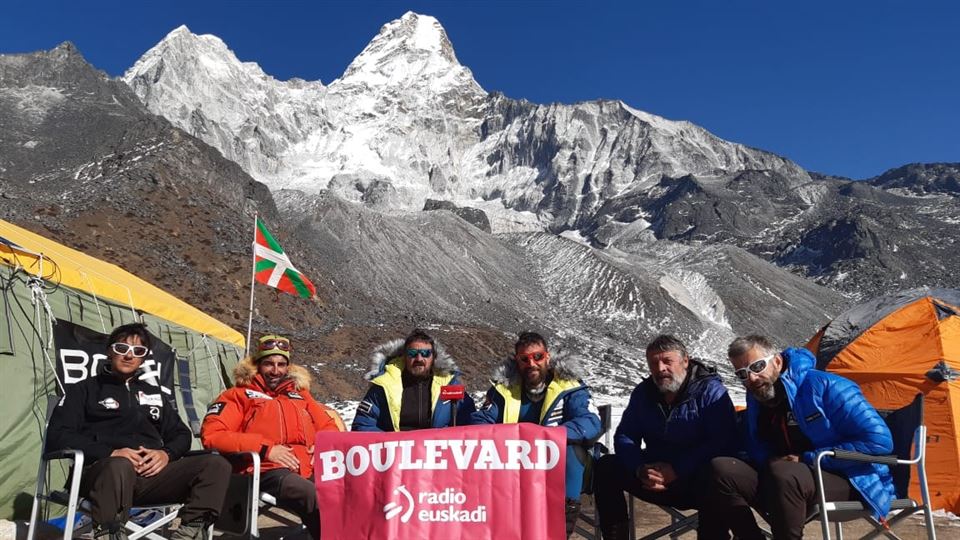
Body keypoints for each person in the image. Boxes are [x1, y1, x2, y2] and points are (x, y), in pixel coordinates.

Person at [700, 335, 895, 539]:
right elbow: (756, 443)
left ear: (776, 361)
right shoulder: (758, 396)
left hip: (852, 480)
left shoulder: (827, 386)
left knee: (784, 471)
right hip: (784, 480)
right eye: (742, 374)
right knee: (721, 469)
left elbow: (879, 441)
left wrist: (808, 458)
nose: (752, 378)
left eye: (757, 366)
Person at [47, 323, 231, 540]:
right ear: (109, 351)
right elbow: (58, 435)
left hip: (150, 478)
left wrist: (166, 454)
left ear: (143, 358)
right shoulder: (84, 389)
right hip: (102, 475)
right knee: (120, 465)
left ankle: (189, 533)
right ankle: (110, 533)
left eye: (137, 351)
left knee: (216, 464)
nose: (128, 356)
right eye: (121, 348)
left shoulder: (155, 394)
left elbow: (181, 434)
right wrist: (110, 453)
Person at [201, 334, 346, 540]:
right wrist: (266, 448)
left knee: (350, 490)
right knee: (313, 496)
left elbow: (328, 425)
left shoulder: (300, 394)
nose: (275, 370)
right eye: (268, 364)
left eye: (281, 364)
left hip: (307, 465)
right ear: (257, 365)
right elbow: (213, 436)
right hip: (264, 469)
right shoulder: (238, 395)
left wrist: (323, 444)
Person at [594, 334, 737, 540]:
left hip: (695, 479)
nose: (660, 368)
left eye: (667, 361)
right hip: (652, 477)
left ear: (685, 361)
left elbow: (723, 442)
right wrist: (640, 468)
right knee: (607, 466)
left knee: (716, 474)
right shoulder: (644, 393)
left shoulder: (710, 392)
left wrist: (678, 469)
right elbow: (626, 435)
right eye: (654, 363)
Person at [470, 331, 601, 538]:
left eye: (537, 356)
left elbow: (590, 422)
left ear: (547, 356)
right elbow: (481, 420)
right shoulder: (503, 389)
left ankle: (560, 528)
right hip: (511, 466)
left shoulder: (570, 387)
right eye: (525, 359)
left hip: (557, 466)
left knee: (570, 450)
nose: (531, 363)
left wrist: (546, 436)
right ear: (517, 361)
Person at [352, 328, 475, 431]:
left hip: (437, 455)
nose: (419, 359)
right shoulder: (384, 385)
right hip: (396, 456)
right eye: (412, 353)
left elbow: (470, 421)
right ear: (404, 356)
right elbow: (363, 424)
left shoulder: (449, 385)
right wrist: (388, 446)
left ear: (434, 357)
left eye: (425, 353)